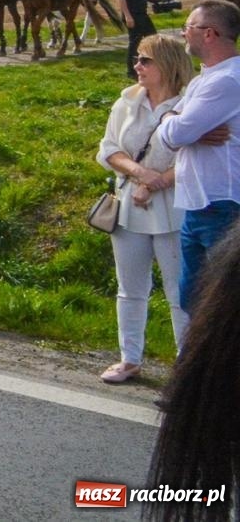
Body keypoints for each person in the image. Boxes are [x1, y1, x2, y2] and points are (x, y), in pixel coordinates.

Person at [95, 34, 193, 383]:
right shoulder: (126, 101)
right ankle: (130, 359)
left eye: (145, 60)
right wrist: (140, 175)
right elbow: (107, 149)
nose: (137, 65)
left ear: (166, 64)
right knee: (130, 288)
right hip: (128, 207)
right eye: (137, 59)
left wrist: (156, 182)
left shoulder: (189, 105)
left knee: (179, 292)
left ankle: (186, 367)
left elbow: (194, 159)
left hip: (175, 209)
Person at [157, 0, 240, 315]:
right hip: (197, 204)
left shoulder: (226, 81)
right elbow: (173, 131)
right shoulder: (204, 80)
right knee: (191, 299)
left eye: (189, 27)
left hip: (222, 204)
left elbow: (175, 134)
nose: (183, 33)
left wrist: (177, 126)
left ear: (210, 33)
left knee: (219, 307)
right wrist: (178, 124)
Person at [118, 0, 157, 80]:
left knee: (152, 38)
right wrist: (127, 16)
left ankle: (150, 64)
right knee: (134, 43)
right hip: (134, 17)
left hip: (141, 16)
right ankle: (131, 71)